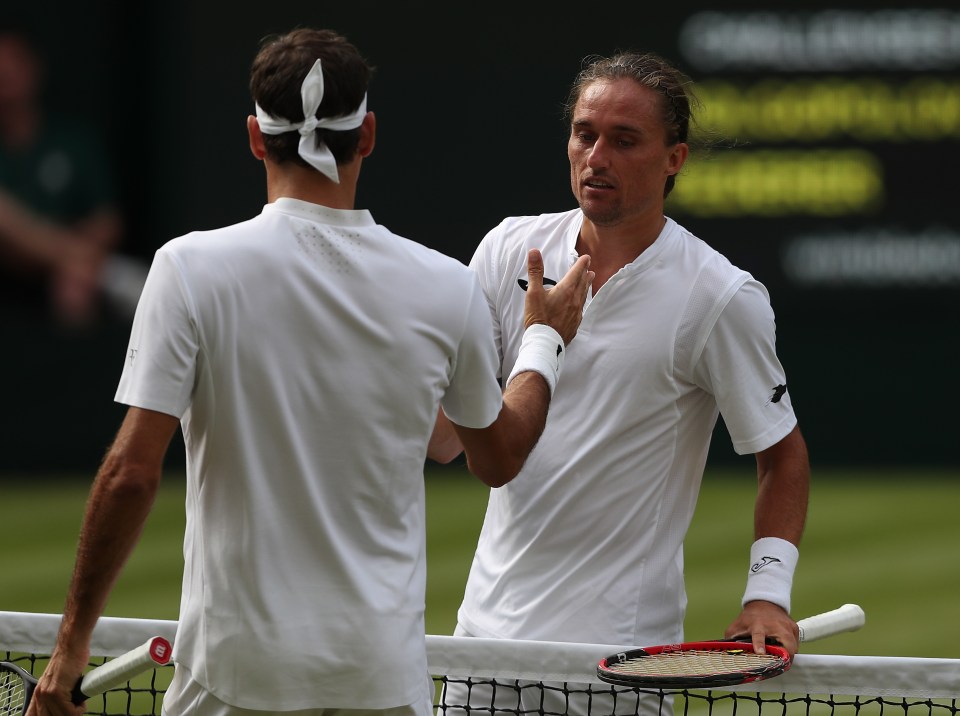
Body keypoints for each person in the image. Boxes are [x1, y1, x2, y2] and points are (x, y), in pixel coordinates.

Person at [26, 28, 593, 716]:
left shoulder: (187, 268)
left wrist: (70, 646)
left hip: (235, 676)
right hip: (377, 680)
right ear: (371, 134)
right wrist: (543, 343)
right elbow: (497, 457)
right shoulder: (446, 287)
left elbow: (131, 472)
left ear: (256, 138)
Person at [435, 51, 809, 714]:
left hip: (618, 673)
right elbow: (445, 439)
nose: (596, 155)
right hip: (482, 656)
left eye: (624, 140)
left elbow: (782, 456)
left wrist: (767, 595)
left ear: (675, 159)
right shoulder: (505, 251)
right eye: (585, 133)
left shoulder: (719, 296)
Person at [0, 23, 131, 327]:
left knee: (75, 287)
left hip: (61, 281)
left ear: (33, 67)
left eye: (12, 63)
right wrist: (76, 257)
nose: (4, 75)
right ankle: (108, 273)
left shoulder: (74, 142)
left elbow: (107, 222)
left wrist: (65, 262)